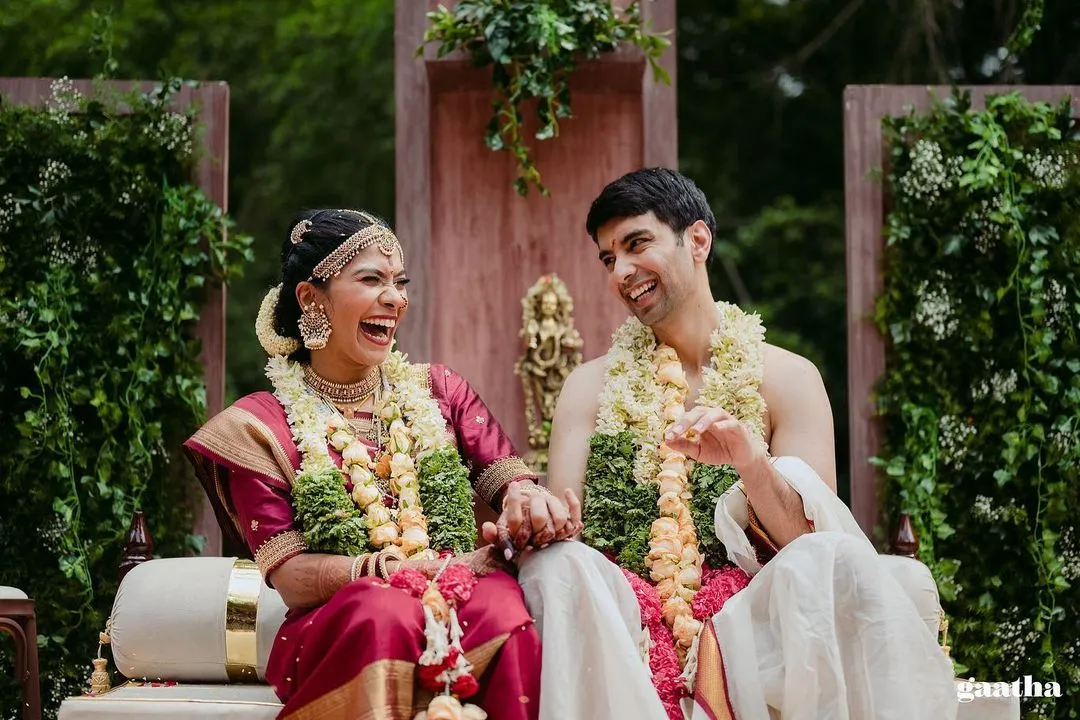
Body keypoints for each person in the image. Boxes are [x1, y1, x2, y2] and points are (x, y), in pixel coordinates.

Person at [545, 168, 960, 719]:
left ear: (697, 240)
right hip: (623, 619)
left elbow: (811, 545)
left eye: (636, 244)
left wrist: (749, 460)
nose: (621, 271)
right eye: (607, 258)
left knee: (826, 560)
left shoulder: (788, 379)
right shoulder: (586, 390)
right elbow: (565, 536)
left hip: (760, 626)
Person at [183, 209, 582, 720]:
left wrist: (532, 507)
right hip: (342, 622)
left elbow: (510, 480)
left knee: (502, 605)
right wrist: (400, 570)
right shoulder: (259, 426)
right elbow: (289, 575)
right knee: (384, 611)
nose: (395, 299)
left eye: (399, 282)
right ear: (310, 298)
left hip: (461, 593)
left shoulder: (440, 392)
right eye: (372, 279)